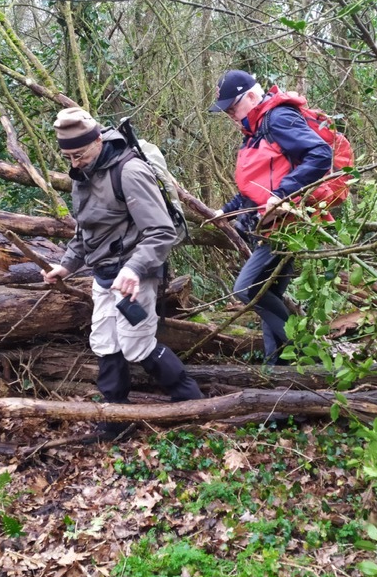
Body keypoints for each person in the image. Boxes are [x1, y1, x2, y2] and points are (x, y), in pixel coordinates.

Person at [42, 107, 204, 423]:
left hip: (136, 276)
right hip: (103, 275)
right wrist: (66, 265)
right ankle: (115, 419)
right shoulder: (83, 174)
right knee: (105, 342)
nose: (74, 163)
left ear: (98, 141)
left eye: (79, 154)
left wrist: (133, 269)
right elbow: (85, 231)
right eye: (68, 157)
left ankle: (193, 404)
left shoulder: (129, 172)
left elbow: (161, 231)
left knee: (136, 345)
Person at [209, 70, 333, 365]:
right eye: (226, 111)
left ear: (252, 96)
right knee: (269, 292)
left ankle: (308, 355)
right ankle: (276, 369)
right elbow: (256, 186)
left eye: (232, 108)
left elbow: (320, 154)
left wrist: (283, 193)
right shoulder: (255, 130)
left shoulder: (277, 119)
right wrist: (226, 210)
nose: (230, 116)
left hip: (287, 225)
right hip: (270, 224)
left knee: (246, 289)